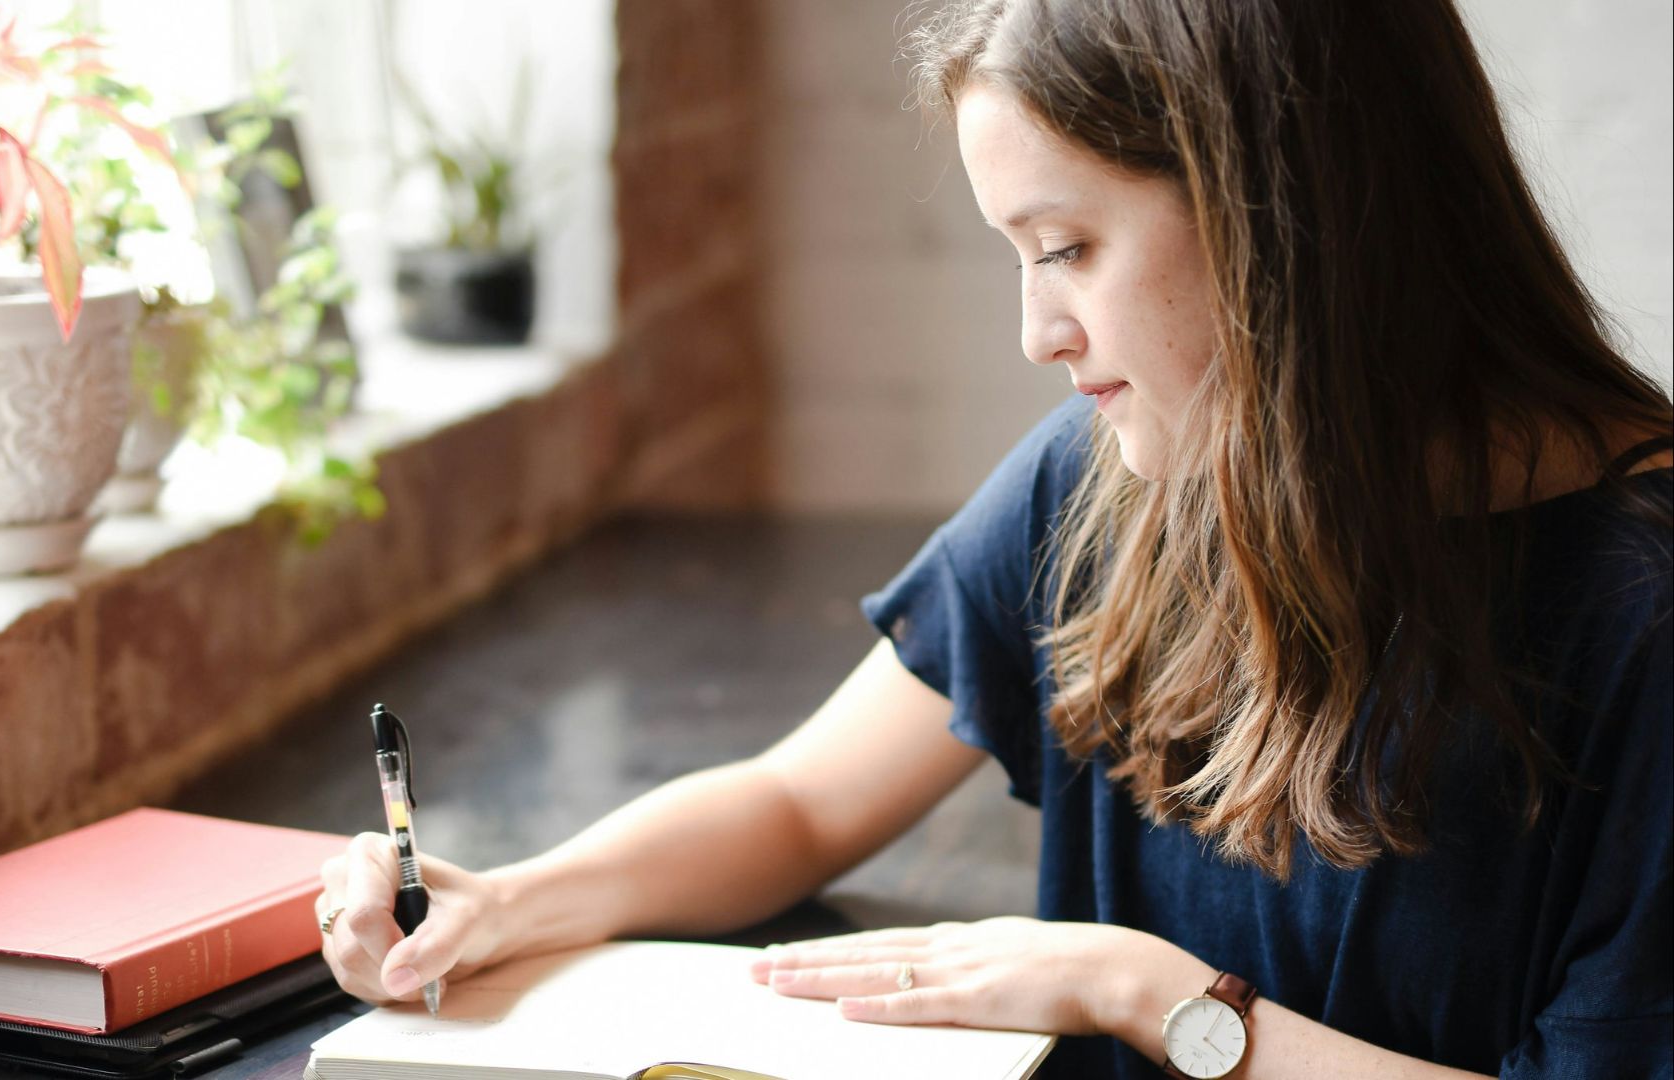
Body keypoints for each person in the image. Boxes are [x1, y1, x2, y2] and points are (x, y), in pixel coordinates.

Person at [316, 1, 1672, 1075]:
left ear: (1287, 217)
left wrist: (1150, 997)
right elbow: (799, 802)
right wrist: (513, 901)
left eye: (1068, 246)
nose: (1038, 334)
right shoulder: (1117, 478)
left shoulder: (1642, 611)